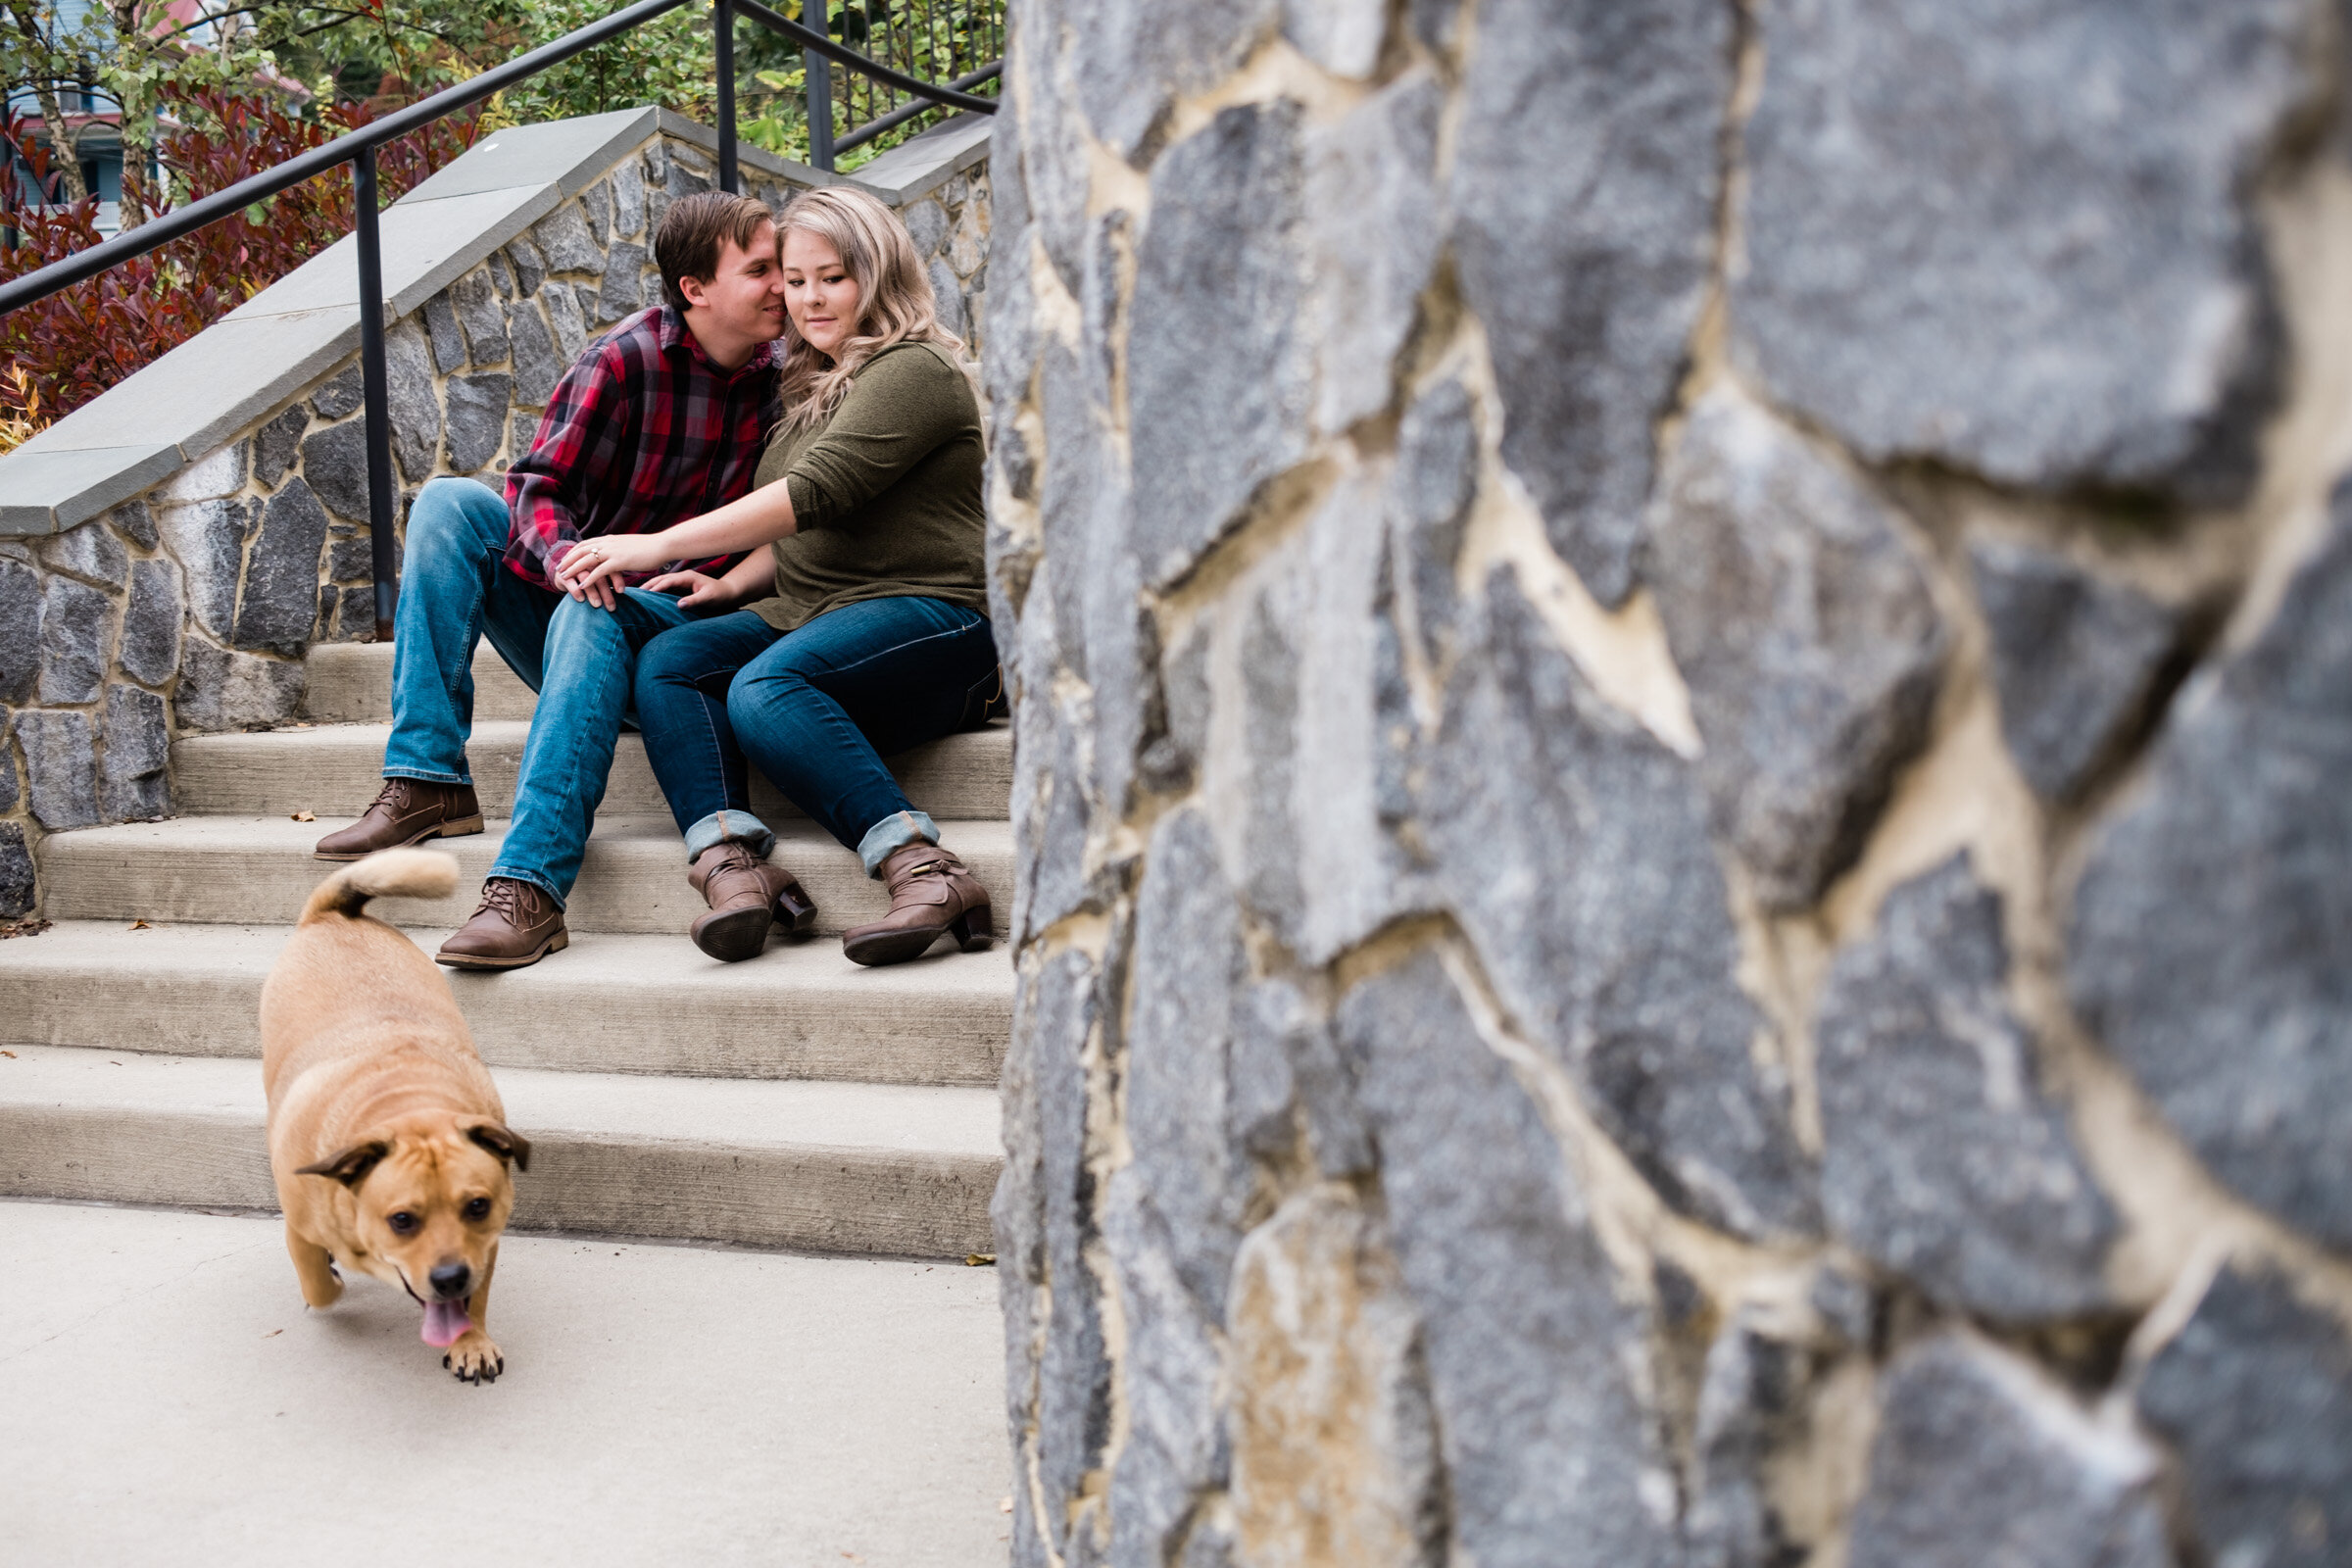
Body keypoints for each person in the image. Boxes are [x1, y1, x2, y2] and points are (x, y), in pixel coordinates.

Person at [314, 190, 799, 971]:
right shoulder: (624, 360)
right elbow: (537, 489)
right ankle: (427, 776)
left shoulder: (792, 377)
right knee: (450, 504)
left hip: (688, 631)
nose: (785, 285)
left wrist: (649, 575)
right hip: (592, 608)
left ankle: (530, 887)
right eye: (763, 270)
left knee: (595, 608)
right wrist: (569, 564)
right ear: (696, 289)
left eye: (783, 268)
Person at [556, 184, 999, 968]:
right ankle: (734, 865)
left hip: (939, 618)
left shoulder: (916, 369)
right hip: (817, 608)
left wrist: (654, 545)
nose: (810, 298)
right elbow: (814, 524)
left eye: (833, 276)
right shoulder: (812, 384)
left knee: (765, 688)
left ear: (879, 272)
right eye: (795, 281)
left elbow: (815, 493)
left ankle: (926, 870)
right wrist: (730, 586)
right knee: (672, 662)